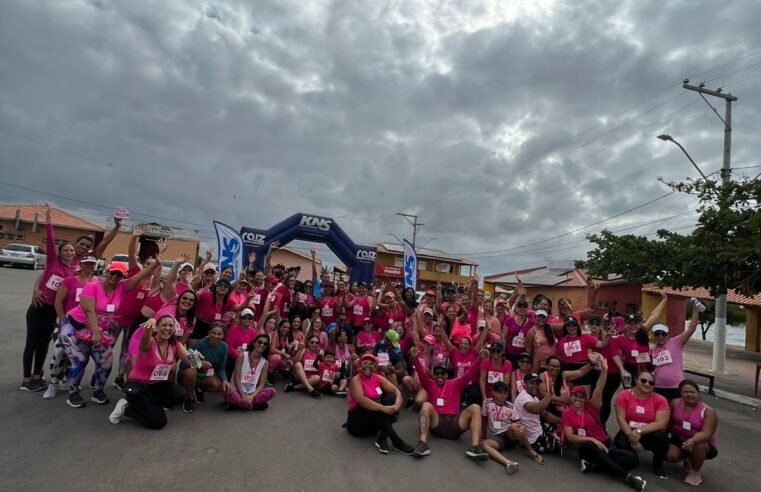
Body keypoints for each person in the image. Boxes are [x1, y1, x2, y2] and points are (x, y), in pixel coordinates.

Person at [60, 258, 160, 407]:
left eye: (119, 275)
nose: (114, 277)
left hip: (98, 329)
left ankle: (98, 391)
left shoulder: (122, 287)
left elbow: (140, 275)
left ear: (122, 277)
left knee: (105, 362)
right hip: (75, 326)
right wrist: (95, 333)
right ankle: (73, 393)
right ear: (107, 272)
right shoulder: (91, 286)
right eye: (112, 273)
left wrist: (157, 263)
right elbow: (89, 311)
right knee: (79, 361)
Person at [561, 358, 646, 491]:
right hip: (587, 448)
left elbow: (599, 387)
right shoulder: (567, 414)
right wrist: (591, 439)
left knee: (633, 459)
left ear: (585, 398)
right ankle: (628, 478)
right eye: (575, 396)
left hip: (606, 445)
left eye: (581, 396)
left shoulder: (591, 406)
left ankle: (594, 466)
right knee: (590, 446)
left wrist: (604, 370)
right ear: (571, 397)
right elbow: (570, 437)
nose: (578, 399)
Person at [21, 205, 78, 392]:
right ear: (60, 253)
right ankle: (27, 379)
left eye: (71, 251)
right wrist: (48, 219)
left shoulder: (73, 270)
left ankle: (38, 375)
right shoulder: (53, 261)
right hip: (39, 307)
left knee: (44, 344)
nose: (69, 253)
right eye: (66, 250)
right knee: (32, 342)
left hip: (53, 311)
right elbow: (51, 240)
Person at [108, 315, 189, 429]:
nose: (167, 328)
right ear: (156, 328)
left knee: (179, 394)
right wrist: (148, 326)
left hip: (156, 384)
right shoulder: (148, 343)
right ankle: (127, 407)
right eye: (164, 325)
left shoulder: (175, 344)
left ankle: (150, 404)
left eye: (171, 325)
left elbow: (189, 359)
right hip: (139, 385)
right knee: (158, 423)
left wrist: (202, 363)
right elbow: (145, 339)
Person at [410, 345, 488, 461]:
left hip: (454, 425)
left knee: (476, 407)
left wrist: (479, 359)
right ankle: (423, 444)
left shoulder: (455, 383)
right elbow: (421, 374)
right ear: (434, 375)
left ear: (447, 374)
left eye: (443, 373)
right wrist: (415, 359)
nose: (440, 376)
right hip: (438, 423)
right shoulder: (430, 384)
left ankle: (474, 447)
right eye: (437, 373)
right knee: (426, 405)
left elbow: (469, 374)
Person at [44, 253, 98, 399]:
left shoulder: (97, 282)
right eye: (86, 263)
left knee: (76, 356)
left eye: (92, 264)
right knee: (59, 353)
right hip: (68, 323)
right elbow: (58, 301)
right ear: (80, 264)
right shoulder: (69, 281)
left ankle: (67, 380)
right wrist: (62, 321)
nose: (89, 266)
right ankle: (53, 383)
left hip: (85, 326)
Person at [345, 353, 415, 455]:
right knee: (370, 404)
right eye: (365, 363)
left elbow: (396, 391)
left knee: (390, 398)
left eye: (371, 363)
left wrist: (395, 406)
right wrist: (384, 409)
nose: (368, 366)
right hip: (357, 424)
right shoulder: (355, 380)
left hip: (374, 424)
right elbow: (361, 400)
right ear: (360, 366)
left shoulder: (377, 377)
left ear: (375, 366)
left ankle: (382, 438)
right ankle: (397, 441)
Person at [614, 370, 671, 479]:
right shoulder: (624, 395)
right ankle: (632, 458)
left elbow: (661, 423)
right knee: (619, 441)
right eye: (643, 380)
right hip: (629, 430)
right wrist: (632, 437)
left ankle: (658, 466)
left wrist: (639, 431)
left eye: (651, 383)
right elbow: (621, 419)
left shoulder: (660, 399)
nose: (647, 384)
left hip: (650, 432)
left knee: (662, 438)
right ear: (636, 380)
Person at [665, 380, 718, 486]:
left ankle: (695, 472)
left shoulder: (708, 411)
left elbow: (706, 433)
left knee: (699, 444)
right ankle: (687, 458)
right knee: (670, 456)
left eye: (692, 392)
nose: (689, 394)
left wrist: (693, 440)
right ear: (680, 393)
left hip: (701, 444)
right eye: (685, 392)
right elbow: (669, 423)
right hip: (679, 439)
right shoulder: (674, 403)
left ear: (698, 393)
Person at [650, 299, 703, 401]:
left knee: (676, 415)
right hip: (657, 387)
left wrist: (696, 310)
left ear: (668, 334)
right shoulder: (652, 350)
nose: (660, 336)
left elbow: (691, 328)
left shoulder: (676, 342)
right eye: (657, 334)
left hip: (676, 387)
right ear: (653, 336)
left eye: (663, 334)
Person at [614, 292, 667, 386]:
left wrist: (664, 300)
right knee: (631, 393)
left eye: (636, 323)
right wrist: (622, 372)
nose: (633, 326)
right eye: (630, 323)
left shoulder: (643, 331)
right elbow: (620, 358)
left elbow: (654, 316)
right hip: (630, 368)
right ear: (625, 325)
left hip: (645, 368)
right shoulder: (620, 339)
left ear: (640, 324)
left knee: (645, 393)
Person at [180, 323, 231, 412]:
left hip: (205, 375)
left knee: (220, 386)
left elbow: (221, 368)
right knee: (190, 372)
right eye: (213, 333)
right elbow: (184, 362)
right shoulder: (200, 343)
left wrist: (225, 380)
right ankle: (188, 397)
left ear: (223, 335)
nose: (216, 336)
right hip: (188, 374)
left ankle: (197, 388)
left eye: (219, 334)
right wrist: (199, 363)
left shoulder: (224, 347)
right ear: (209, 332)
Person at [513, 372, 560, 463]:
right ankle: (529, 448)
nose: (535, 386)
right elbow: (536, 409)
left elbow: (545, 414)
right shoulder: (523, 397)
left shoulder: (533, 397)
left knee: (562, 429)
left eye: (537, 384)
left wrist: (561, 420)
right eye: (532, 383)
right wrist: (549, 396)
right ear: (524, 384)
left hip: (539, 429)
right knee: (560, 443)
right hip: (533, 439)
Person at [480, 381, 523, 475]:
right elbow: (484, 418)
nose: (503, 396)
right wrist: (483, 434)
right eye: (500, 393)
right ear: (493, 392)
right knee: (484, 444)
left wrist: (517, 429)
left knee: (513, 426)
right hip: (497, 438)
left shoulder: (510, 406)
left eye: (505, 393)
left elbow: (517, 422)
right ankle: (509, 463)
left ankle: (525, 446)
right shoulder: (487, 403)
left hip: (509, 434)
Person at [224, 333, 276, 410]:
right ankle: (252, 406)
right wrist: (243, 395)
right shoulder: (242, 356)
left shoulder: (265, 363)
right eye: (259, 342)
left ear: (266, 347)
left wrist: (251, 396)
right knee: (225, 390)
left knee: (272, 391)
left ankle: (238, 404)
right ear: (254, 343)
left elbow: (262, 383)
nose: (262, 345)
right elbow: (236, 378)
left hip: (252, 393)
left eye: (265, 344)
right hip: (237, 390)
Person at [504, 300, 534, 367]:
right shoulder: (509, 320)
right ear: (516, 309)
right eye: (520, 307)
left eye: (524, 307)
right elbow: (504, 337)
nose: (522, 309)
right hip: (510, 353)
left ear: (527, 309)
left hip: (524, 355)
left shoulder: (532, 323)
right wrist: (503, 351)